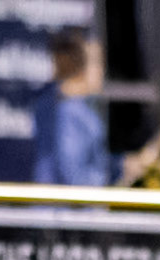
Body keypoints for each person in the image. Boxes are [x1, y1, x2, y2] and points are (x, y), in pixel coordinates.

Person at [32, 30, 115, 186]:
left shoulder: (54, 104)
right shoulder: (68, 112)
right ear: (78, 67)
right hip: (66, 208)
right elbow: (74, 176)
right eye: (96, 62)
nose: (102, 70)